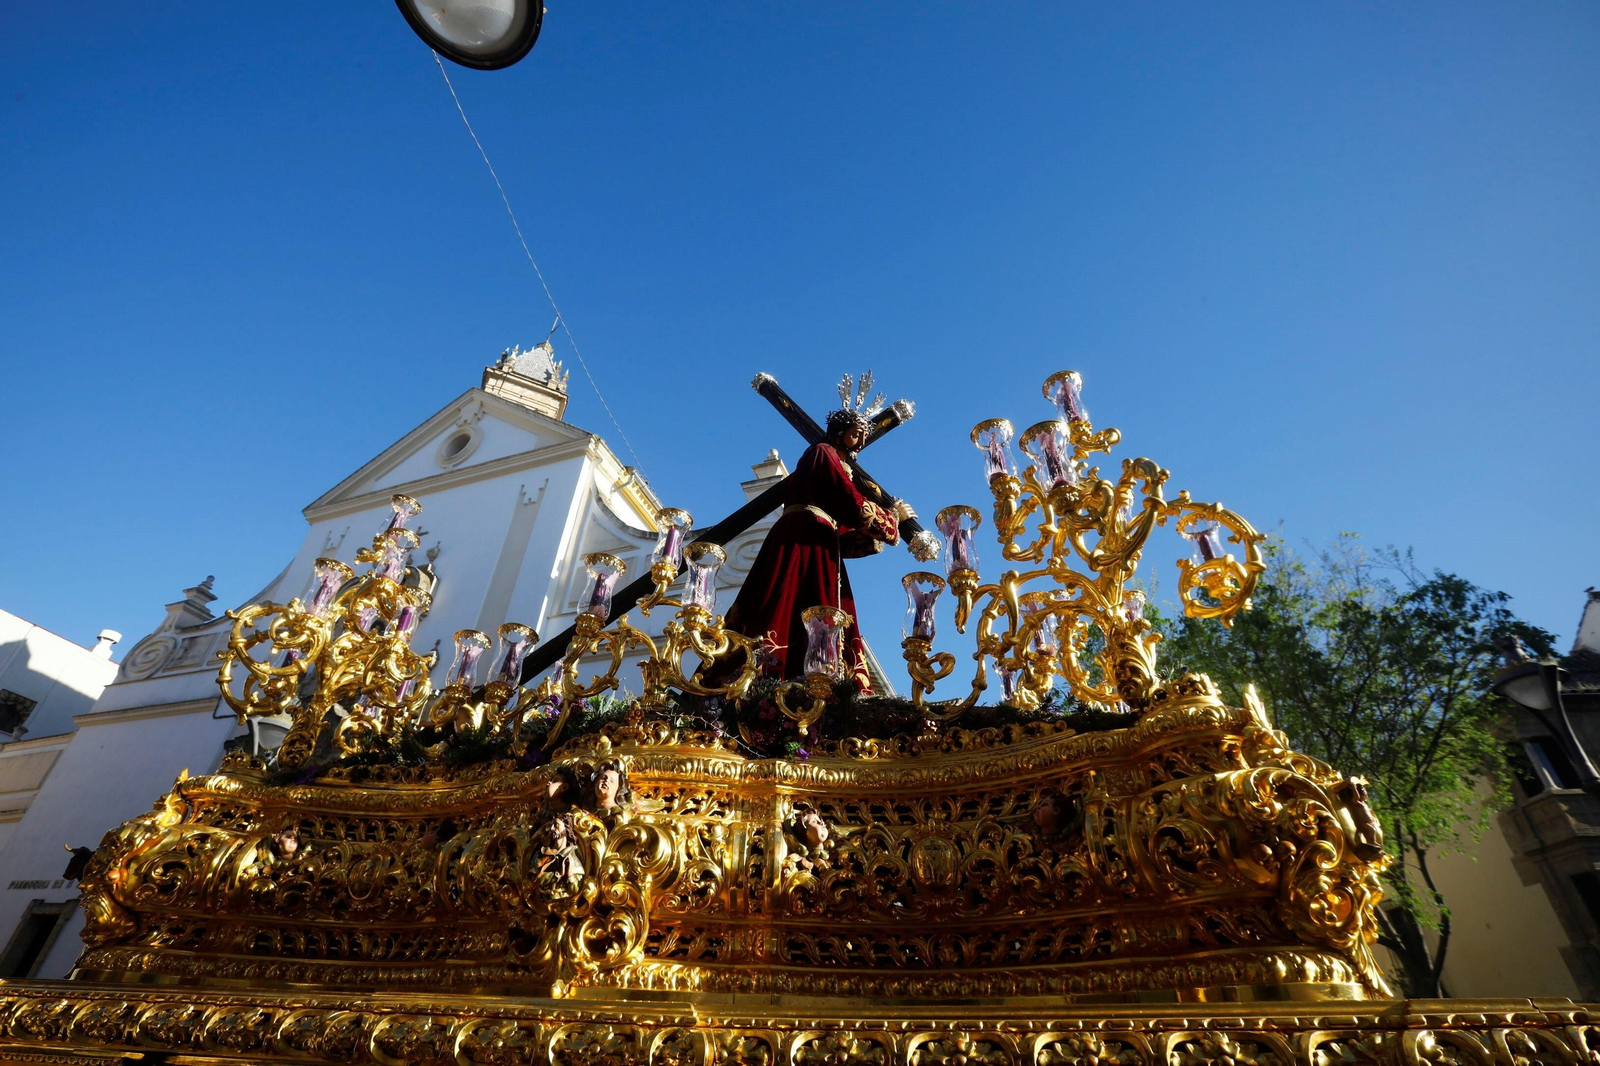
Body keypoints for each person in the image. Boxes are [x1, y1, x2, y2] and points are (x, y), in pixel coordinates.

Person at [723, 409, 911, 692]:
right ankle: (764, 676)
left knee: (817, 611)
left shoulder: (830, 475)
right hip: (802, 539)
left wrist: (870, 532)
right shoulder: (822, 453)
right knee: (784, 604)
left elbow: (844, 534)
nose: (860, 439)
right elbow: (854, 505)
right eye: (855, 432)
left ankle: (818, 680)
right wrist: (892, 518)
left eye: (863, 435)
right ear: (839, 431)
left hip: (820, 546)